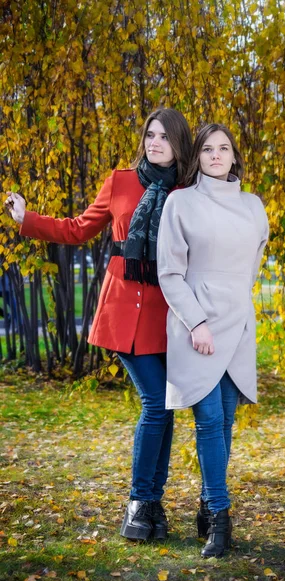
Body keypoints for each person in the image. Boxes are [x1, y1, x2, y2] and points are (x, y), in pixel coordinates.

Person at [4, 108, 193, 542]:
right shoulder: (121, 180)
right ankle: (138, 504)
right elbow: (78, 229)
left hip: (169, 314)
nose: (154, 142)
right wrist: (26, 220)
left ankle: (153, 507)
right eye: (149, 134)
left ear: (178, 143)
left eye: (164, 136)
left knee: (167, 411)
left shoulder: (189, 190)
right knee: (156, 405)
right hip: (123, 311)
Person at [157, 123, 269, 558]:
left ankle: (207, 502)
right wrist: (196, 322)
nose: (217, 155)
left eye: (224, 148)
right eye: (208, 149)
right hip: (195, 326)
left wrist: (236, 311)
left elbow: (252, 267)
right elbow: (170, 271)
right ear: (198, 157)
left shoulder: (254, 206)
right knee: (207, 419)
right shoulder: (180, 204)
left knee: (225, 420)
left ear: (234, 156)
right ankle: (220, 519)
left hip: (237, 324)